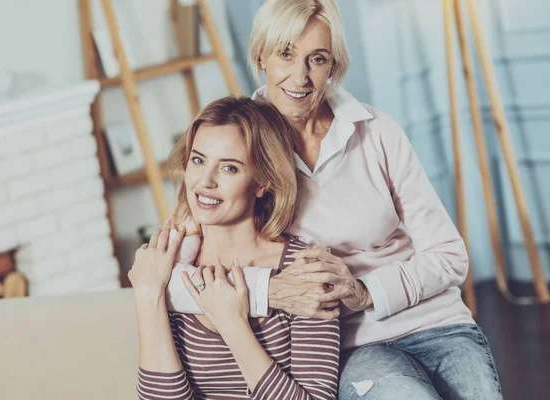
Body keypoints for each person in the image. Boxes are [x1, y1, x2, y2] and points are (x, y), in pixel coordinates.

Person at [163, 1, 504, 399]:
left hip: (438, 321)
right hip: (349, 343)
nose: (300, 76)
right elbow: (169, 279)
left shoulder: (376, 132)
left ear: (334, 66)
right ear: (260, 56)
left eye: (317, 59)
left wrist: (365, 291)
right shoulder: (239, 145)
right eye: (285, 53)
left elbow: (449, 255)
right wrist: (271, 292)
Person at [129, 96, 340, 400]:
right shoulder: (170, 263)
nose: (205, 182)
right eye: (198, 160)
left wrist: (233, 325)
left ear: (262, 182)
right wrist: (148, 295)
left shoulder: (304, 271)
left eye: (229, 168)